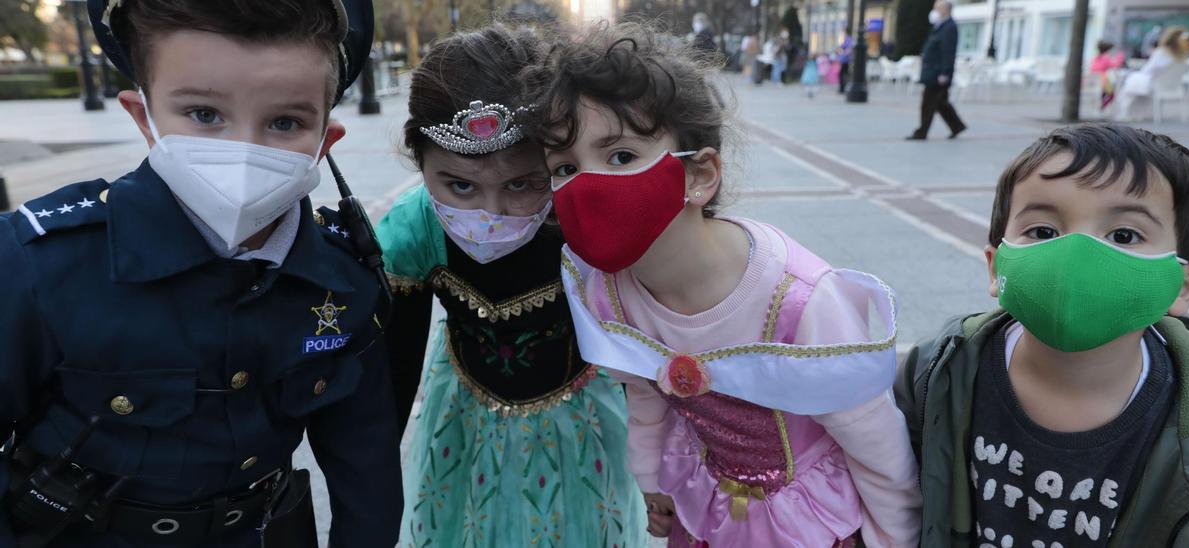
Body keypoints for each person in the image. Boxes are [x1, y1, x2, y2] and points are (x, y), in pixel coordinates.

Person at [0, 0, 402, 545]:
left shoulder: (343, 279)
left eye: (285, 122)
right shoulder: (40, 265)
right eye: (204, 115)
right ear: (144, 117)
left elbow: (367, 469)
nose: (243, 151)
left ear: (324, 140)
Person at [530, 23, 922, 548]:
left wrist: (896, 538)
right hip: (707, 508)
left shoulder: (801, 300)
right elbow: (645, 392)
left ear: (698, 176)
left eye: (620, 156)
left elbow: (876, 443)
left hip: (809, 523)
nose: (587, 186)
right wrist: (651, 482)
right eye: (565, 167)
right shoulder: (606, 291)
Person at [895, 124, 1189, 547]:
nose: (1075, 256)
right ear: (995, 266)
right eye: (1043, 231)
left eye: (1124, 236)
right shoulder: (938, 371)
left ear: (1184, 285)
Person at [376, 24, 646, 547]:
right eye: (459, 185)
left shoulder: (580, 221)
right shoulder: (417, 230)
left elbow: (646, 343)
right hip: (459, 421)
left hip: (583, 418)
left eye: (522, 183)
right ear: (420, 163)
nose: (490, 212)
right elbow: (394, 370)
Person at [908, 1, 966, 140]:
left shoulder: (949, 27)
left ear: (945, 10)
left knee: (928, 103)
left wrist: (945, 73)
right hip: (932, 72)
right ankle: (957, 126)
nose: (934, 11)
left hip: (937, 74)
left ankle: (922, 132)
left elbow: (948, 52)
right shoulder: (940, 26)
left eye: (937, 8)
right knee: (940, 102)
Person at [1114, 26, 1189, 121]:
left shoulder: (1161, 52)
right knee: (1135, 81)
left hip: (1154, 85)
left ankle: (1124, 113)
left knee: (1129, 80)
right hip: (1173, 87)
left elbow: (1148, 70)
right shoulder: (1182, 57)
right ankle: (1143, 113)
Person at [1089, 39, 1125, 109]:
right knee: (1111, 95)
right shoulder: (1105, 58)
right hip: (1103, 80)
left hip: (1094, 80)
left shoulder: (1095, 58)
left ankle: (1101, 106)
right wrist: (1120, 56)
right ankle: (1102, 107)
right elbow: (1115, 64)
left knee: (1104, 94)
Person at [838, 27, 854, 93]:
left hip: (846, 60)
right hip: (845, 59)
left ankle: (843, 88)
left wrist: (844, 53)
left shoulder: (848, 39)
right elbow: (841, 47)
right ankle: (843, 87)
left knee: (842, 74)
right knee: (844, 73)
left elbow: (849, 49)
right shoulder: (846, 39)